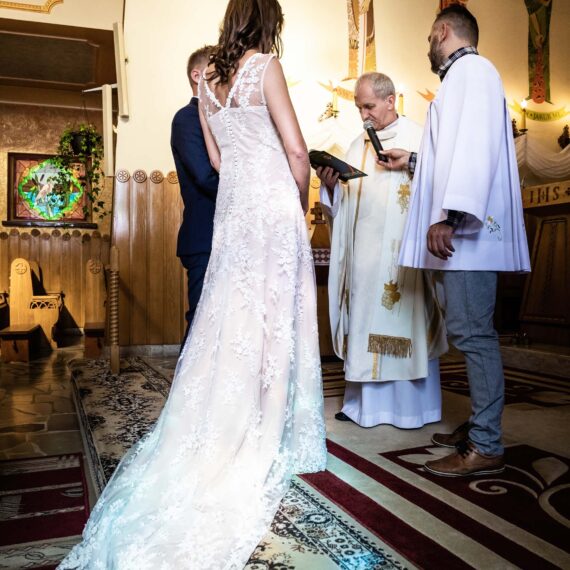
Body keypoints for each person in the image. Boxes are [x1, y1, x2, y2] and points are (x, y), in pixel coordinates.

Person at [58, 1, 326, 567]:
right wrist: (299, 205)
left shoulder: (207, 85)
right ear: (268, 22)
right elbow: (297, 150)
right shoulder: (265, 66)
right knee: (276, 316)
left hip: (234, 212)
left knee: (230, 318)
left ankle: (228, 423)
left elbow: (219, 162)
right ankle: (268, 428)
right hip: (271, 209)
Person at [382, 5, 530, 476]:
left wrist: (451, 216)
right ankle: (478, 426)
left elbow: (472, 153)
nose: (429, 43)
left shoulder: (472, 72)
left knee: (474, 334)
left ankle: (486, 444)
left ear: (443, 31)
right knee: (467, 332)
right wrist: (413, 160)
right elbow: (451, 153)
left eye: (430, 35)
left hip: (467, 233)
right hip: (462, 233)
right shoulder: (464, 77)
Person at [316, 72, 447, 429]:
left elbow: (441, 184)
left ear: (390, 101)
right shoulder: (356, 145)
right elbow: (343, 206)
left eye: (369, 106)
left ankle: (410, 409)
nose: (364, 115)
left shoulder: (419, 137)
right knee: (364, 322)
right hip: (364, 258)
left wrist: (412, 165)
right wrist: (331, 188)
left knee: (405, 320)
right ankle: (364, 407)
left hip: (404, 256)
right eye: (359, 108)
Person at [171, 46, 219, 347]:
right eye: (219, 73)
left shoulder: (221, 120)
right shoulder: (186, 118)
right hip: (204, 236)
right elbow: (204, 176)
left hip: (226, 235)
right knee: (201, 322)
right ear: (197, 75)